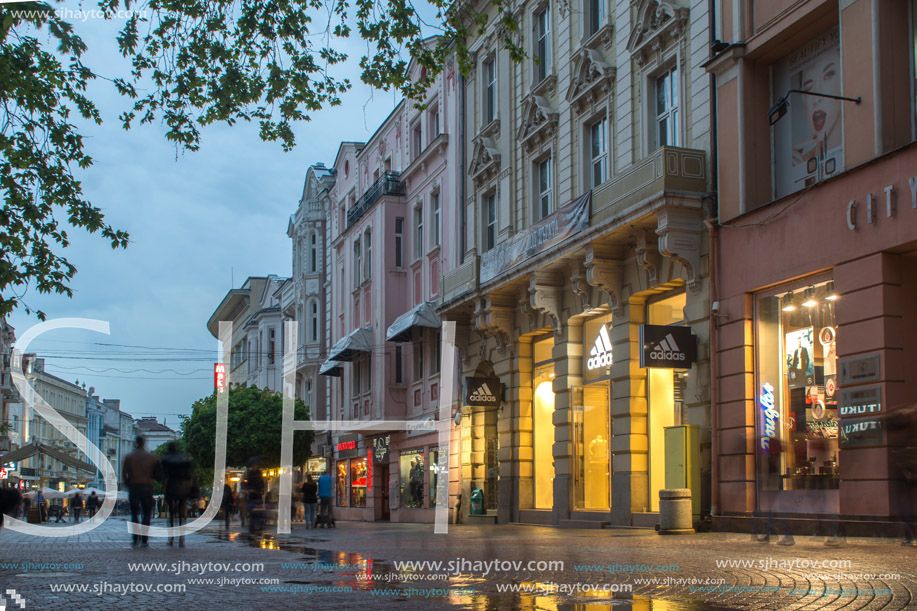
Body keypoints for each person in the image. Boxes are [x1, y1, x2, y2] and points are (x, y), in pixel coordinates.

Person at [122, 435, 161, 548]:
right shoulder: (152, 457)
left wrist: (129, 484)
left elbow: (124, 474)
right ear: (144, 443)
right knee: (147, 513)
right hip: (147, 487)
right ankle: (144, 539)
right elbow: (157, 473)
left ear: (135, 443)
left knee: (134, 513)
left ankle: (135, 538)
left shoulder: (129, 457)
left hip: (134, 487)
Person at [161, 442, 194, 548]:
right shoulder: (184, 458)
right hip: (183, 487)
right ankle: (182, 538)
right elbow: (190, 473)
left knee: (171, 513)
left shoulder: (166, 459)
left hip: (171, 486)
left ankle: (171, 537)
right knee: (182, 512)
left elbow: (163, 474)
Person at [243, 458, 266, 533]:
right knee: (251, 510)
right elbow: (248, 483)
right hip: (251, 496)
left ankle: (259, 523)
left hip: (257, 495)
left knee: (258, 511)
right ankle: (252, 523)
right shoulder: (250, 473)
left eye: (255, 465)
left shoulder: (259, 473)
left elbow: (261, 484)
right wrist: (248, 490)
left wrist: (259, 490)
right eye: (253, 465)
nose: (254, 466)